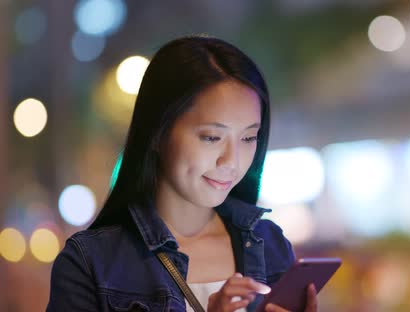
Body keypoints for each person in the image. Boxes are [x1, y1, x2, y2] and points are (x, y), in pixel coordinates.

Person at [47, 35, 318, 312]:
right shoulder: (90, 263)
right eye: (212, 137)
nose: (231, 161)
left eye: (249, 138)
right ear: (157, 134)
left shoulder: (271, 247)